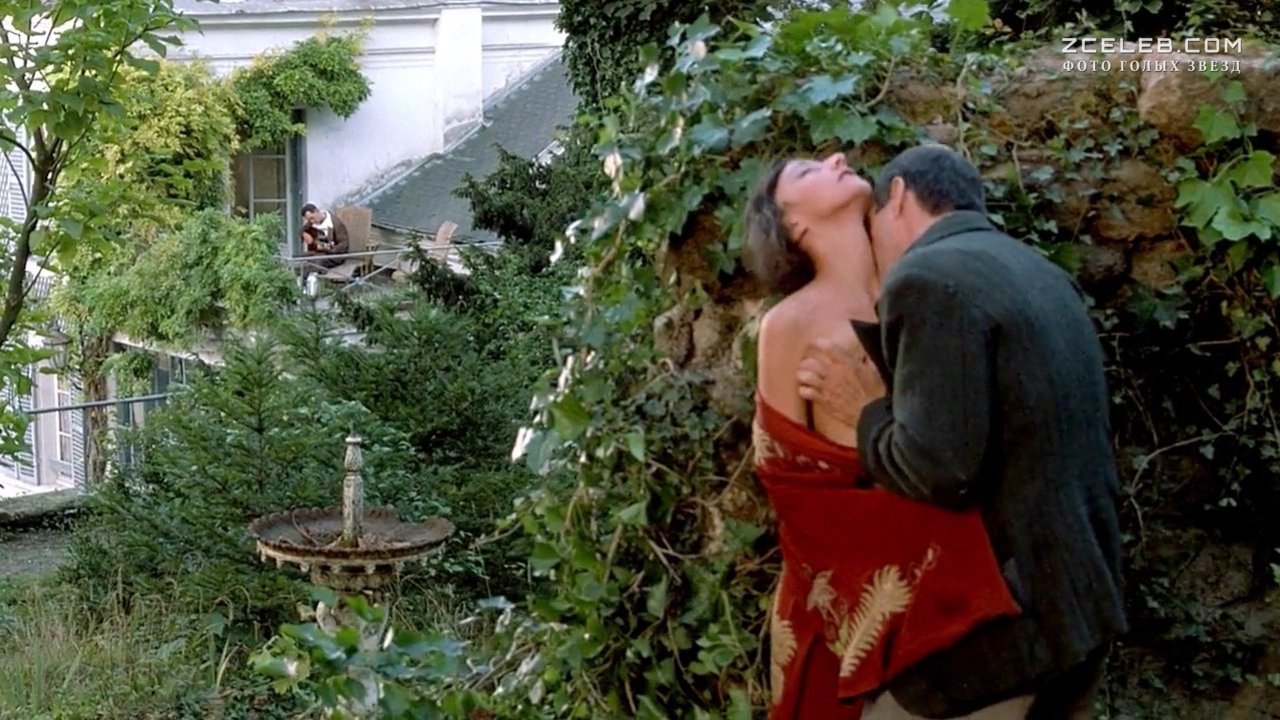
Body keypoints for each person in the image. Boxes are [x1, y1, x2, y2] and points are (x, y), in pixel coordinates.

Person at [795, 144, 1128, 718]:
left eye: (873, 220)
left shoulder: (927, 277)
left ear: (899, 198)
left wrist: (864, 408)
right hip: (1084, 607)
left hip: (1012, 629)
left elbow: (937, 466)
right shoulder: (1040, 270)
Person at [744, 151, 1027, 720]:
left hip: (981, 562)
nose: (837, 157)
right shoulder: (789, 324)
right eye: (808, 171)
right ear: (792, 225)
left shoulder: (922, 290)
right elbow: (789, 485)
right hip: (858, 585)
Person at [299, 202, 349, 271]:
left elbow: (343, 246)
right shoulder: (311, 222)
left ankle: (314, 276)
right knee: (298, 258)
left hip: (336, 256)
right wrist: (304, 234)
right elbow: (301, 230)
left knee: (316, 262)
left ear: (316, 211)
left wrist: (327, 248)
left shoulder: (336, 224)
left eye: (312, 218)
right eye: (309, 220)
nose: (311, 221)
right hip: (320, 254)